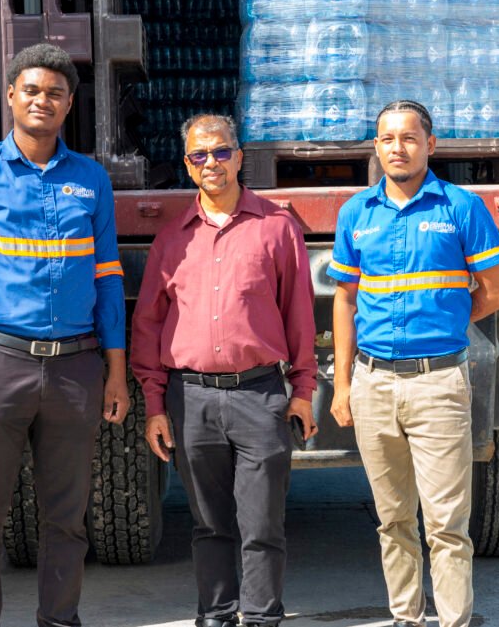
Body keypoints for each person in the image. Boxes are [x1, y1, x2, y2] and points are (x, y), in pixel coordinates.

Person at [0, 43, 129, 627]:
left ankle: (59, 621)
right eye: (33, 90)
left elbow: (108, 279)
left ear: (68, 105)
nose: (43, 100)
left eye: (56, 93)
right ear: (12, 96)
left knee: (67, 522)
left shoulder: (90, 179)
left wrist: (116, 372)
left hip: (75, 370)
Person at [327, 101, 499, 627]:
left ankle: (453, 621)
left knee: (447, 525)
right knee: (393, 521)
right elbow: (345, 300)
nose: (398, 148)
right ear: (376, 147)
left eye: (409, 138)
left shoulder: (461, 207)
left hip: (439, 384)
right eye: (387, 139)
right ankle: (405, 618)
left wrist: (447, 321)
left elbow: (498, 291)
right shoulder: (356, 214)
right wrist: (342, 386)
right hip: (373, 385)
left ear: (430, 145)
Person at [130, 113, 318, 627]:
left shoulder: (276, 228)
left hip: (260, 395)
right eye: (199, 155)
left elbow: (300, 315)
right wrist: (154, 405)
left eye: (220, 151)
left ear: (238, 157)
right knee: (209, 524)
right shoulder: (171, 240)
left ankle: (261, 616)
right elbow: (148, 325)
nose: (210, 162)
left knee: (262, 525)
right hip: (190, 400)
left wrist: (303, 390)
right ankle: (215, 614)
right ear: (188, 165)